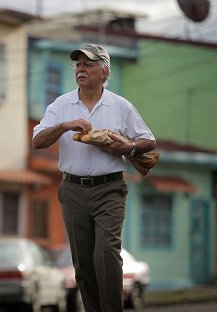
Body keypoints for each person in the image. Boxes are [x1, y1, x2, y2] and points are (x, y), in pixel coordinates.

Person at [32, 44, 156, 312]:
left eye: (87, 64)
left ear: (104, 70)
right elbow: (37, 141)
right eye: (77, 64)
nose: (80, 69)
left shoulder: (120, 105)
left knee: (106, 254)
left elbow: (149, 140)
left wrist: (128, 148)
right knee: (83, 263)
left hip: (109, 188)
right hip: (73, 190)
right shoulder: (61, 105)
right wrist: (65, 125)